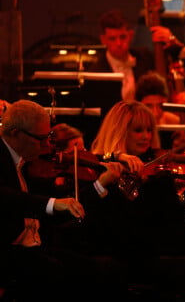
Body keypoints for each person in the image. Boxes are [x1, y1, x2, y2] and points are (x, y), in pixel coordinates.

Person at [90, 100, 185, 299]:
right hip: (121, 253)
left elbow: (171, 221)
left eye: (149, 130)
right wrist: (116, 157)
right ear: (120, 131)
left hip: (150, 249)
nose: (146, 137)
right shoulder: (102, 168)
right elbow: (130, 224)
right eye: (138, 130)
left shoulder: (158, 173)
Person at [0, 100, 123, 301]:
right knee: (58, 275)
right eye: (40, 139)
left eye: (48, 137)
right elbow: (7, 197)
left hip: (36, 249)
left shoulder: (30, 163)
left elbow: (57, 212)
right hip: (9, 252)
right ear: (15, 133)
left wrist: (102, 180)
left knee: (110, 269)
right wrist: (52, 203)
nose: (47, 145)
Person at [88, 9, 185, 101]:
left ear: (131, 35)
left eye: (123, 37)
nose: (118, 43)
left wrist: (173, 42)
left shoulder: (145, 58)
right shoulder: (95, 73)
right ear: (103, 40)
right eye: (112, 39)